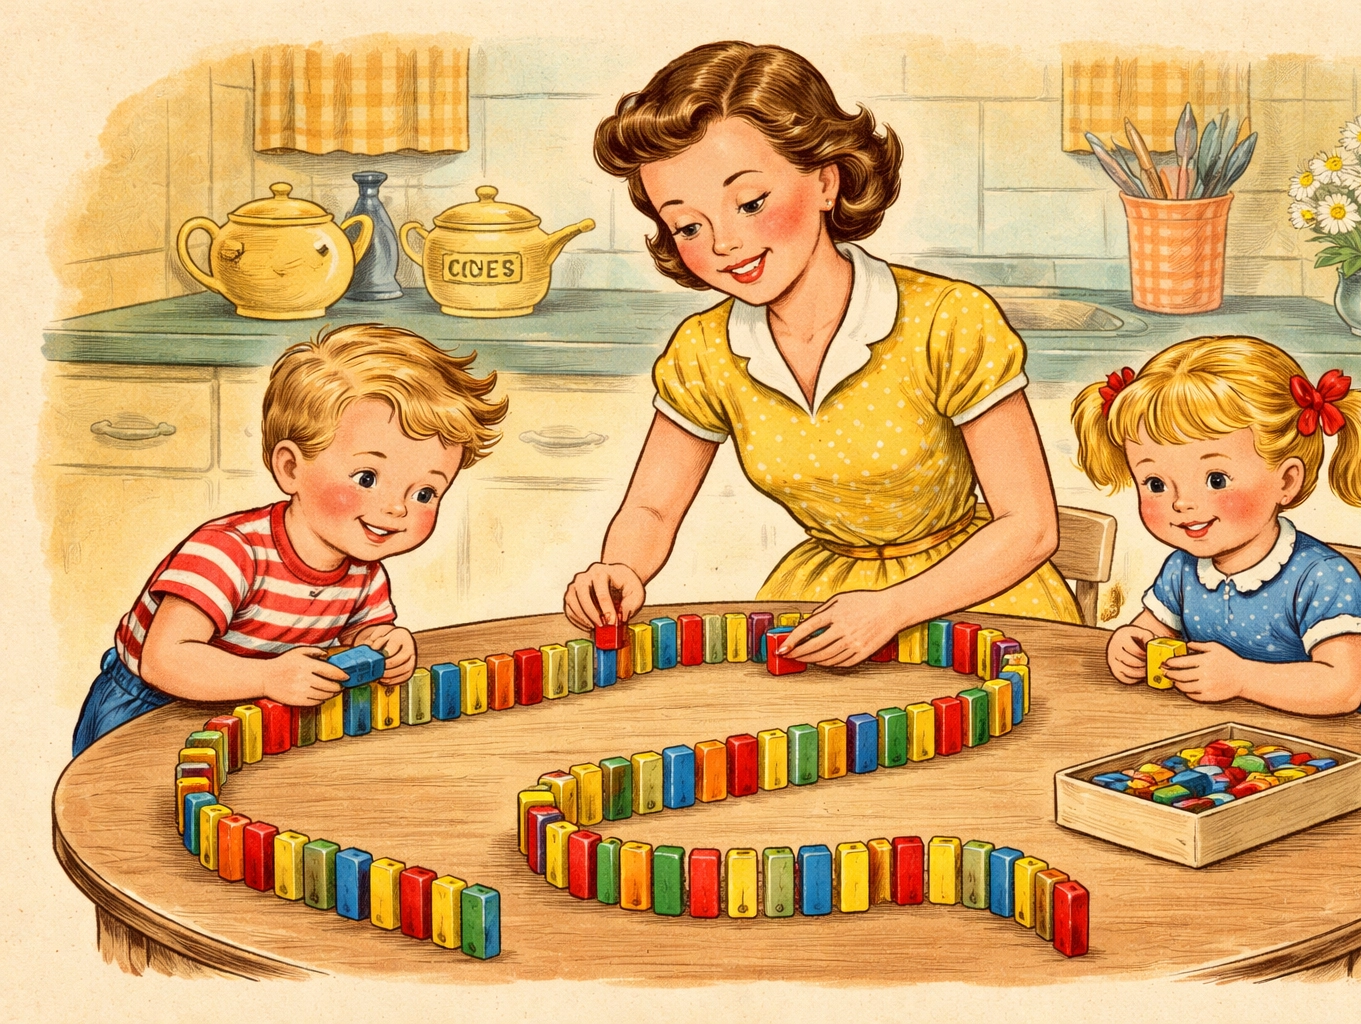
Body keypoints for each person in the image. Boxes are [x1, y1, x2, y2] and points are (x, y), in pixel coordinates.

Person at [563, 41, 1080, 666]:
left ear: (827, 181)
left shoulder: (947, 319)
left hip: (977, 600)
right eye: (689, 225)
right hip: (821, 604)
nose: (725, 242)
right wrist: (618, 569)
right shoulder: (703, 352)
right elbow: (651, 506)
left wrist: (889, 609)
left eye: (750, 203)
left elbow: (1030, 527)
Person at [71, 325, 507, 755]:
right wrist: (266, 678)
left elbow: (363, 633)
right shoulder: (229, 552)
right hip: (147, 707)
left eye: (425, 493)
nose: (397, 508)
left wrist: (386, 645)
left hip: (249, 709)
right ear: (290, 468)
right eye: (367, 478)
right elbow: (164, 660)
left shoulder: (363, 570)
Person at [1071, 335, 1361, 748]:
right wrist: (1129, 646)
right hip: (1243, 738)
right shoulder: (1184, 568)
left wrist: (1241, 677)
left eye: (1216, 480)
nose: (1182, 503)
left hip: (1347, 741)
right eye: (1155, 483)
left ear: (1287, 481)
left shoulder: (1321, 577)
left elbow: (1342, 686)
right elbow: (1151, 631)